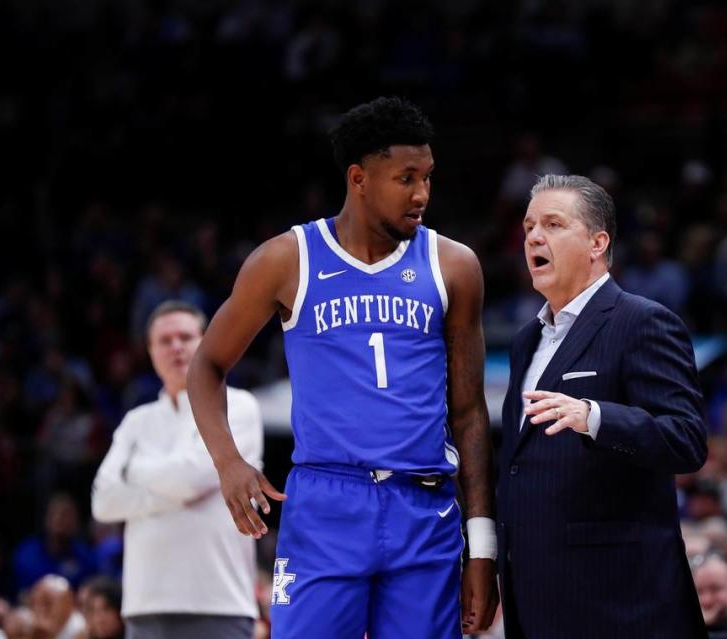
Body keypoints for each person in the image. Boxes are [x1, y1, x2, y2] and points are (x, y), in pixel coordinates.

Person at [187, 96, 497, 638]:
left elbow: (470, 414)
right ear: (359, 178)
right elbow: (207, 365)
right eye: (405, 178)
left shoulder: (455, 266)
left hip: (425, 509)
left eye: (427, 177)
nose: (422, 193)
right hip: (327, 501)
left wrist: (483, 547)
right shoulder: (286, 259)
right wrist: (228, 462)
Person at [497, 174, 708, 638]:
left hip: (618, 599)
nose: (533, 236)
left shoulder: (643, 322)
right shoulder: (524, 340)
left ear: (597, 242)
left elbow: (686, 440)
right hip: (535, 597)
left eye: (552, 224)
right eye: (530, 225)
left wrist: (595, 417)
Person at [92, 301, 263, 639]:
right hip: (144, 604)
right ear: (150, 351)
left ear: (206, 341)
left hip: (220, 601)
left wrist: (135, 472)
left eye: (185, 336)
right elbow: (104, 503)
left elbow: (193, 478)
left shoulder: (239, 406)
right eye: (165, 340)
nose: (176, 347)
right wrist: (176, 491)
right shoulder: (135, 421)